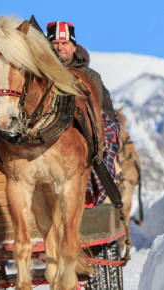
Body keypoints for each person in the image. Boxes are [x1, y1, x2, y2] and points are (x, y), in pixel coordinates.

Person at [46, 21, 120, 205]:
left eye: (64, 43)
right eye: (55, 43)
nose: (60, 48)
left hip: (85, 126)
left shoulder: (90, 77)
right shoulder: (40, 74)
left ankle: (88, 196)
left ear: (73, 47)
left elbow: (98, 111)